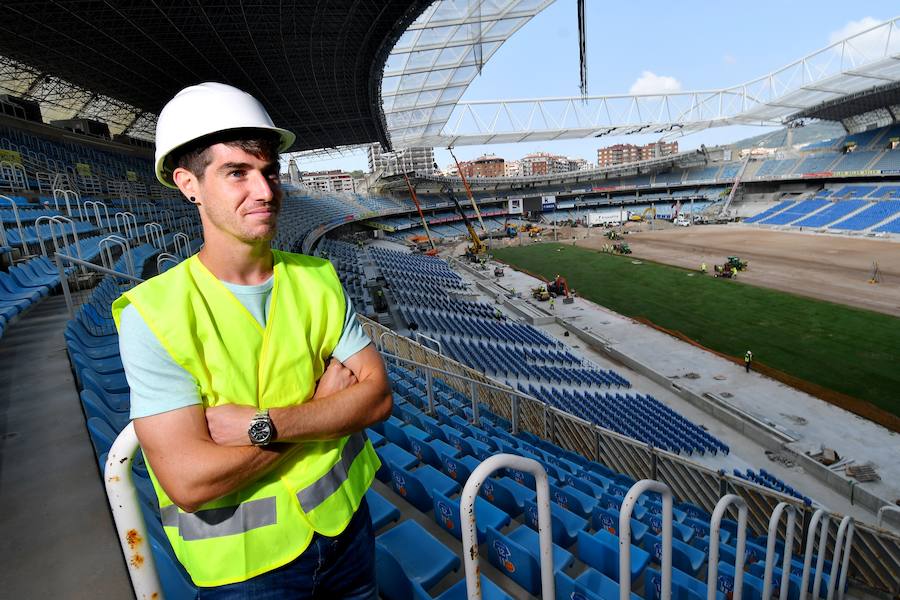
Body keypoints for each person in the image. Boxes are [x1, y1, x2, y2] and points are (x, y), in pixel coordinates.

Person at [112, 83, 391, 597]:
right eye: (236, 172)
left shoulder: (317, 277)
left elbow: (375, 397)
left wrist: (263, 426)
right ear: (188, 184)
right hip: (247, 572)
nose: (263, 191)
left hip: (347, 529)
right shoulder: (152, 316)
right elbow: (191, 482)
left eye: (268, 172)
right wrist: (323, 409)